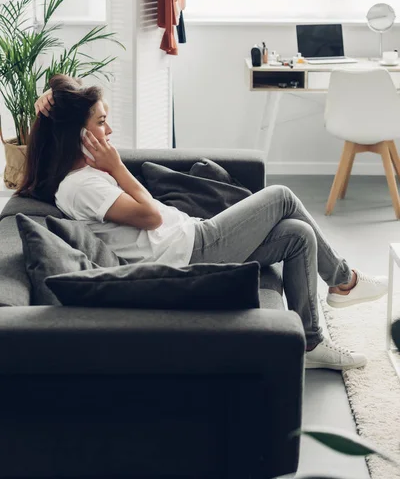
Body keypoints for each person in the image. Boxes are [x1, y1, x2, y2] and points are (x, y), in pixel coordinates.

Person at [20, 74, 388, 371]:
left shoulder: (87, 175)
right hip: (191, 253)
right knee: (281, 196)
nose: (110, 132)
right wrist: (117, 167)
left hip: (190, 238)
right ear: (77, 135)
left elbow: (147, 212)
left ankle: (310, 342)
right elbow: (149, 217)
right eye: (102, 123)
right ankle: (344, 281)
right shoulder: (81, 186)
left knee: (297, 234)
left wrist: (49, 94)